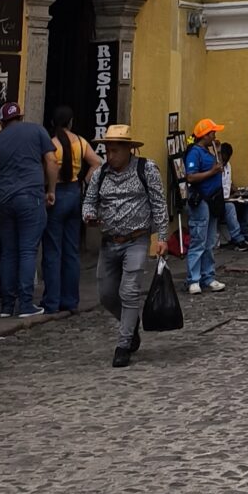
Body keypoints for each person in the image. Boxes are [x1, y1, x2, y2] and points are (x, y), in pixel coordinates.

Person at [82, 122, 168, 368]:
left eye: (115, 151)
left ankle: (123, 344)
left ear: (128, 149)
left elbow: (159, 203)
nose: (110, 156)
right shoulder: (101, 174)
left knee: (129, 291)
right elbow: (89, 201)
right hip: (109, 241)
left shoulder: (146, 169)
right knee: (107, 294)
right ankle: (131, 324)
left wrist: (162, 237)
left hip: (136, 239)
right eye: (107, 150)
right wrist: (88, 215)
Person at [0, 102, 57, 321]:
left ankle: (7, 305)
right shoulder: (37, 131)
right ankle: (26, 304)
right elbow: (51, 160)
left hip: (4, 201)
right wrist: (51, 190)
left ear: (1, 122)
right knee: (28, 250)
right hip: (31, 197)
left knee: (8, 252)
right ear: (20, 116)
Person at [41, 105, 98, 315]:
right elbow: (96, 162)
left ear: (52, 123)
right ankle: (71, 300)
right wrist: (84, 181)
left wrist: (50, 189)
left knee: (52, 250)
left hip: (57, 193)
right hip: (74, 193)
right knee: (71, 251)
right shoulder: (81, 142)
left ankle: (52, 301)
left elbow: (49, 167)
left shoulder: (51, 144)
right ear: (71, 122)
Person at [183, 118, 227, 294]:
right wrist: (211, 172)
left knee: (209, 242)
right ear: (205, 135)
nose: (215, 136)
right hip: (201, 200)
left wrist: (218, 152)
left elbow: (219, 166)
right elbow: (190, 177)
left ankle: (208, 276)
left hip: (212, 200)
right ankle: (193, 279)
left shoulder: (209, 151)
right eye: (212, 133)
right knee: (199, 240)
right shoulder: (195, 153)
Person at [219, 140, 248, 250]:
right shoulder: (215, 166)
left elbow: (228, 182)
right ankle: (238, 238)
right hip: (220, 200)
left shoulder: (228, 166)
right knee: (230, 208)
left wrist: (239, 192)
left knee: (247, 203)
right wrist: (228, 198)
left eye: (227, 159)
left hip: (229, 197)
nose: (225, 162)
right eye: (224, 159)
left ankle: (245, 234)